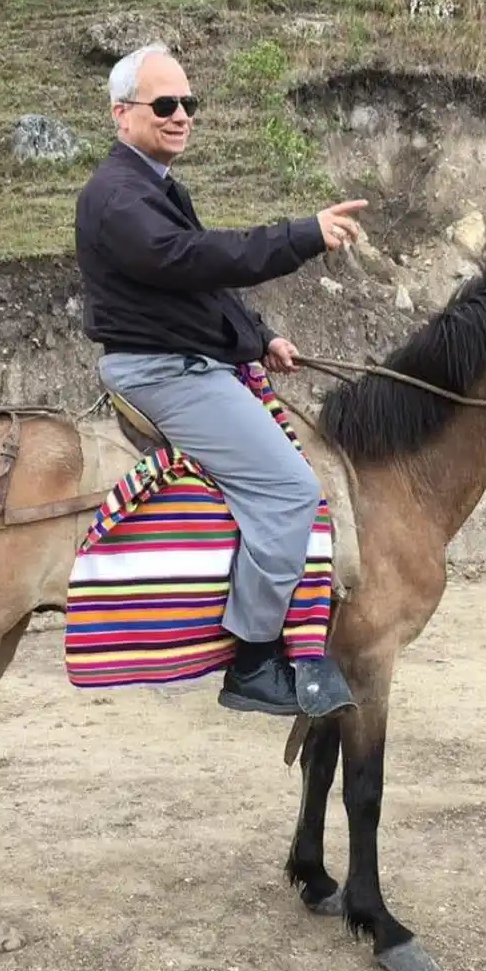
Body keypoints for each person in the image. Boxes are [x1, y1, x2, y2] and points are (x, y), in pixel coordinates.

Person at [74, 42, 367, 719]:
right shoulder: (118, 196)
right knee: (291, 490)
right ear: (121, 114)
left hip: (183, 359)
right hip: (165, 370)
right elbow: (195, 259)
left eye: (189, 103)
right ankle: (255, 660)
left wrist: (260, 338)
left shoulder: (151, 186)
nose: (181, 115)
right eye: (164, 104)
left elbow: (199, 284)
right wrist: (302, 235)